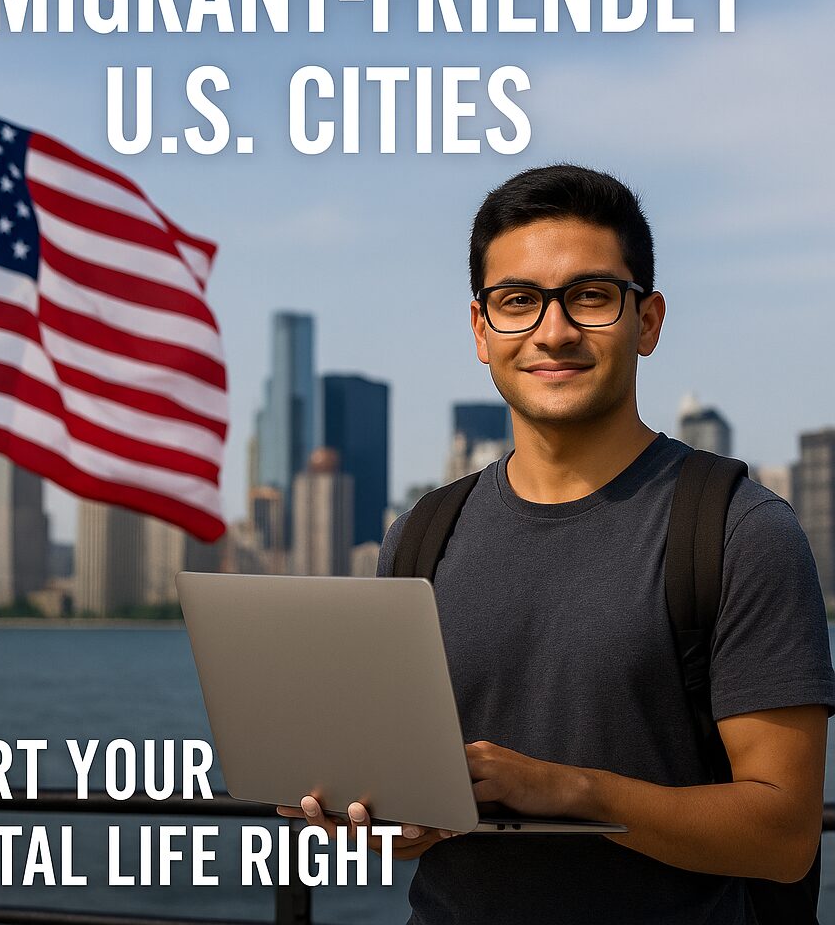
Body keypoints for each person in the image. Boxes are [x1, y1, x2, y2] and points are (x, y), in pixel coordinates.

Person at [278, 164, 835, 923]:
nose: (554, 331)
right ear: (481, 330)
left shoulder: (740, 529)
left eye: (591, 296)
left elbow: (783, 837)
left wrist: (571, 791)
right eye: (517, 302)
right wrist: (383, 821)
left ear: (648, 321)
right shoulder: (419, 536)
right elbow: (417, 799)